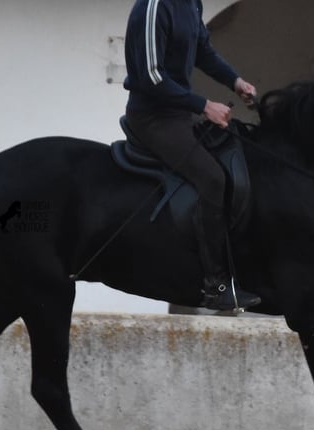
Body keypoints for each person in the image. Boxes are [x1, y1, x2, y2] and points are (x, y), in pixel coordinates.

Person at [123, 0, 261, 311]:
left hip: (179, 115)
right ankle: (216, 283)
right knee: (212, 179)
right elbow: (150, 76)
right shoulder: (153, 7)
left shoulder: (190, 4)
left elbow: (203, 52)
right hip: (151, 118)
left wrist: (235, 81)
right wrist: (204, 106)